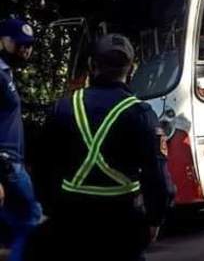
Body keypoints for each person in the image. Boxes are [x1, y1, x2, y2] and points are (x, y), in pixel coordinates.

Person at [29, 34, 174, 261]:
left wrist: (51, 208)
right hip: (121, 222)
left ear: (91, 66)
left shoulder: (64, 108)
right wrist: (155, 219)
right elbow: (157, 177)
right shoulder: (141, 114)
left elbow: (41, 164)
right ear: (132, 69)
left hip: (71, 221)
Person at [0, 19, 42, 261]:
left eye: (28, 45)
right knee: (31, 218)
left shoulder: (7, 74)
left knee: (16, 222)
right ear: (3, 41)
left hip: (13, 162)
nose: (25, 49)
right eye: (19, 43)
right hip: (7, 164)